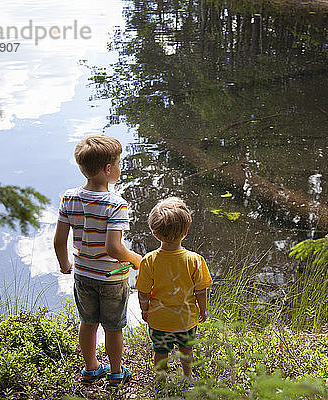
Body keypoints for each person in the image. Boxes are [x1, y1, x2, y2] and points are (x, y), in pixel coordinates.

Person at [53, 134, 142, 387]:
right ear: (108, 169)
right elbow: (114, 248)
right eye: (119, 163)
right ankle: (116, 372)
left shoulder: (69, 197)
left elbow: (59, 241)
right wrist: (137, 260)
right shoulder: (116, 205)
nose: (120, 167)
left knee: (88, 322)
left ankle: (91, 368)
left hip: (83, 275)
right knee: (113, 327)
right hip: (112, 278)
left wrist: (64, 265)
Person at [136, 197, 212, 383]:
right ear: (186, 232)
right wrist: (203, 309)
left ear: (155, 233)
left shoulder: (149, 260)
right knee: (186, 349)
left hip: (159, 319)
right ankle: (188, 376)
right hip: (185, 319)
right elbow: (201, 291)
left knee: (160, 351)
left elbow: (143, 292)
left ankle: (161, 379)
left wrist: (145, 309)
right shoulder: (195, 260)